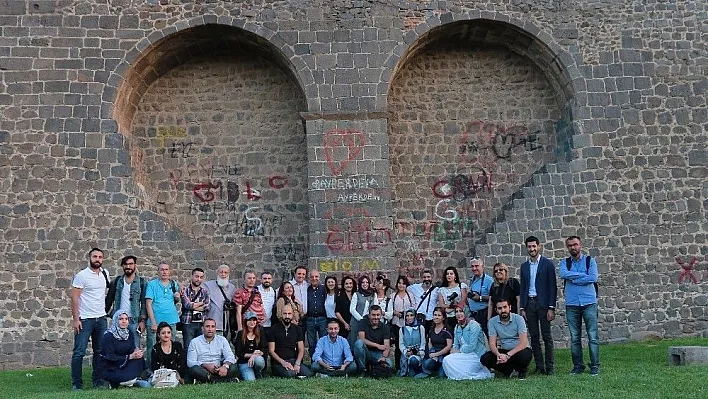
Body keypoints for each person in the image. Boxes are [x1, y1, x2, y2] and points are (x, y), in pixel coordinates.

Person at [560, 235, 600, 376]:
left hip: (589, 302)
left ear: (580, 245)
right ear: (567, 247)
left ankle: (595, 366)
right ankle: (578, 366)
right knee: (575, 337)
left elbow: (593, 278)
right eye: (570, 245)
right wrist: (583, 276)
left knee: (593, 336)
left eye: (575, 244)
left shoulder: (590, 261)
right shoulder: (564, 263)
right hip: (572, 304)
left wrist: (573, 278)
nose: (573, 247)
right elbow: (563, 273)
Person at [71, 247, 110, 390]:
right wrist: (76, 319)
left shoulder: (105, 273)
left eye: (100, 257)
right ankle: (77, 383)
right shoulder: (82, 275)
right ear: (89, 258)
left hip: (101, 318)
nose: (97, 259)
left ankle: (98, 380)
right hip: (85, 319)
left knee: (99, 351)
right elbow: (75, 298)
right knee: (79, 352)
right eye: (95, 256)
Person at [519, 236, 557, 375]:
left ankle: (550, 367)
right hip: (529, 304)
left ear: (539, 246)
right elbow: (523, 287)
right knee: (534, 337)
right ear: (526, 248)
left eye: (534, 246)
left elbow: (552, 286)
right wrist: (522, 307)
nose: (532, 249)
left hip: (544, 305)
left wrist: (551, 307)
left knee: (547, 337)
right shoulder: (524, 266)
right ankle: (540, 366)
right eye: (529, 247)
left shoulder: (547, 264)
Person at [480, 299, 533, 379]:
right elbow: (492, 344)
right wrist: (498, 355)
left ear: (510, 307)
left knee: (525, 356)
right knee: (485, 358)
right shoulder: (492, 322)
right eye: (500, 308)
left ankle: (521, 370)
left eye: (505, 307)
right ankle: (509, 370)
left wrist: (508, 356)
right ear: (496, 310)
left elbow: (523, 343)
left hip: (519, 350)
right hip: (504, 350)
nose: (503, 310)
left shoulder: (518, 319)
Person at [99, 311, 151, 388]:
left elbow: (132, 350)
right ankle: (129, 380)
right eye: (121, 319)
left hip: (125, 364)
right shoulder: (108, 336)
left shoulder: (129, 333)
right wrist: (130, 357)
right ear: (116, 320)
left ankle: (130, 380)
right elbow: (110, 357)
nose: (124, 321)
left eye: (126, 319)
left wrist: (137, 353)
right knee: (120, 375)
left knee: (139, 360)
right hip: (111, 366)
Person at [106, 255, 148, 348]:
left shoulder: (141, 282)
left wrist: (142, 321)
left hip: (134, 321)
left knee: (135, 347)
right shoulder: (117, 281)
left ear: (135, 265)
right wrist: (110, 313)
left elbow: (144, 304)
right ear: (122, 266)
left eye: (130, 264)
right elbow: (109, 300)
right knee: (117, 347)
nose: (128, 266)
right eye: (125, 264)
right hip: (118, 320)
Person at [145, 262, 181, 368]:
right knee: (152, 347)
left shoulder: (174, 284)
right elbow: (148, 304)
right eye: (162, 269)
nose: (164, 272)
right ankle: (151, 371)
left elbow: (175, 300)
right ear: (158, 271)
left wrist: (177, 297)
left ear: (169, 271)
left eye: (166, 269)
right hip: (155, 320)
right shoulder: (152, 285)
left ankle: (171, 370)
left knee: (171, 347)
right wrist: (153, 322)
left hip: (171, 319)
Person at [442, 307, 493, 380]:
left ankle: (463, 375)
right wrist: (453, 350)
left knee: (452, 362)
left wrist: (459, 351)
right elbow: (456, 344)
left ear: (465, 312)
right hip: (464, 354)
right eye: (456, 312)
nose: (459, 314)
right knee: (447, 359)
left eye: (461, 311)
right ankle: (459, 375)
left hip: (476, 354)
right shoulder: (457, 327)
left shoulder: (474, 325)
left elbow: (472, 346)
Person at [186, 318, 238, 383]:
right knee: (194, 369)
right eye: (207, 326)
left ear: (215, 328)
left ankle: (210, 380)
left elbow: (230, 356)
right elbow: (190, 362)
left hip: (219, 369)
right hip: (203, 370)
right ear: (202, 328)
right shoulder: (194, 342)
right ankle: (222, 380)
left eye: (212, 326)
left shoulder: (222, 340)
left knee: (233, 367)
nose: (210, 329)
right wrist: (205, 365)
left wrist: (225, 366)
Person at [267, 304, 313, 378]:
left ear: (293, 315)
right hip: (279, 362)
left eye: (289, 313)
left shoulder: (297, 329)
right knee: (290, 374)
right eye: (285, 314)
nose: (287, 316)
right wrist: (283, 362)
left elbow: (301, 349)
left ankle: (298, 372)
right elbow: (271, 351)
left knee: (308, 373)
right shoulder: (273, 329)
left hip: (293, 360)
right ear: (281, 314)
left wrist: (297, 363)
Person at [353, 305, 394, 373]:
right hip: (365, 351)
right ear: (369, 315)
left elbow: (387, 346)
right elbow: (361, 339)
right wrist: (377, 345)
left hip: (377, 353)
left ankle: (375, 369)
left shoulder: (385, 327)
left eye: (378, 315)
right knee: (359, 343)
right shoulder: (362, 322)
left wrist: (384, 357)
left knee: (389, 364)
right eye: (373, 315)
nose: (376, 317)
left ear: (381, 316)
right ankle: (362, 371)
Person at [180, 267, 210, 353]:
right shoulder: (185, 290)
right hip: (188, 323)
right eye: (197, 276)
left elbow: (207, 307)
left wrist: (193, 305)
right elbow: (187, 305)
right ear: (192, 276)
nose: (199, 279)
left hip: (201, 324)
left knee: (201, 348)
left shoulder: (205, 292)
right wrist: (201, 303)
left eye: (201, 277)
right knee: (188, 348)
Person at [416, 307, 452, 378]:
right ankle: (429, 371)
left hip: (443, 355)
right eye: (435, 315)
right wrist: (432, 353)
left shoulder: (447, 329)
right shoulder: (431, 329)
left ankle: (440, 367)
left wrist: (437, 354)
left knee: (441, 376)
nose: (436, 317)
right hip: (433, 353)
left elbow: (448, 346)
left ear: (443, 318)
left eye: (439, 315)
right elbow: (430, 343)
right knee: (427, 363)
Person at [204, 264, 237, 338]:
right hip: (213, 323)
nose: (223, 274)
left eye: (226, 272)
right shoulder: (207, 285)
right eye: (221, 272)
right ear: (217, 273)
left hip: (227, 324)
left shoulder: (232, 288)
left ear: (229, 274)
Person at [234, 311, 267, 381]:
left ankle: (258, 371)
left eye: (254, 320)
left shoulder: (261, 332)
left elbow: (263, 350)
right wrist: (252, 355)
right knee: (250, 380)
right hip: (244, 362)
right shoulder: (240, 334)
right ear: (245, 321)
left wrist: (253, 356)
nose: (252, 322)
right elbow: (239, 353)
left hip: (257, 359)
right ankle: (247, 372)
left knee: (259, 360)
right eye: (250, 320)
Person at [391, 276, 414, 369]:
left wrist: (407, 313)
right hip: (396, 323)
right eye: (399, 283)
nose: (401, 285)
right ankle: (398, 366)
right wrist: (395, 312)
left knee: (408, 344)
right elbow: (389, 308)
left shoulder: (410, 295)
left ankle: (408, 365)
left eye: (403, 283)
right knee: (397, 345)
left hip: (407, 323)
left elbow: (413, 307)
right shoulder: (393, 296)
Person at [305, 270, 328, 359]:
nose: (314, 279)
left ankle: (324, 361)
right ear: (309, 278)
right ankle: (314, 362)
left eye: (316, 277)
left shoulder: (324, 289)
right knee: (312, 343)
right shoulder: (306, 289)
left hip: (322, 319)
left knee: (324, 342)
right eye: (312, 277)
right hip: (310, 319)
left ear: (319, 277)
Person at [467, 258, 493, 335]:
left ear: (483, 266)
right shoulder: (472, 279)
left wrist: (480, 298)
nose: (474, 268)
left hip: (484, 314)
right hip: (473, 314)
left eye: (477, 266)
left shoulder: (488, 280)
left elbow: (494, 297)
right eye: (472, 266)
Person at [437, 266, 468, 332]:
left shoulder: (461, 286)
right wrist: (450, 306)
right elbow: (441, 304)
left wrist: (455, 306)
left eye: (451, 274)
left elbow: (464, 300)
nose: (449, 275)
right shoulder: (441, 290)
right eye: (447, 274)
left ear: (455, 276)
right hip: (448, 316)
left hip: (460, 314)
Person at [407, 269, 438, 333]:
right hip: (419, 318)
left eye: (428, 277)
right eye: (424, 277)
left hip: (431, 319)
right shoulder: (414, 288)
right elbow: (401, 289)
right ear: (421, 278)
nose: (426, 279)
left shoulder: (436, 290)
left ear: (432, 277)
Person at [398, 308, 425, 377]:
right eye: (407, 316)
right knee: (410, 374)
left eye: (411, 315)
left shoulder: (420, 328)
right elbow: (401, 344)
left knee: (413, 360)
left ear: (415, 316)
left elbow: (423, 343)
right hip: (406, 354)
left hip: (418, 353)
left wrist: (419, 352)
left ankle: (418, 368)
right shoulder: (402, 329)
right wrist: (406, 352)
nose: (409, 318)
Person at [348, 275, 373, 349]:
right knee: (354, 341)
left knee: (366, 342)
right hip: (356, 322)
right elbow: (352, 309)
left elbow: (373, 307)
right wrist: (361, 319)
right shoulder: (356, 294)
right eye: (363, 282)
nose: (365, 284)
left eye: (367, 282)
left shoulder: (372, 295)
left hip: (368, 322)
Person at [258, 270, 277, 335]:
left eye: (269, 278)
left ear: (272, 280)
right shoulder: (256, 290)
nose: (267, 280)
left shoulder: (273, 292)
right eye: (265, 278)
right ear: (261, 280)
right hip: (257, 324)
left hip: (269, 325)